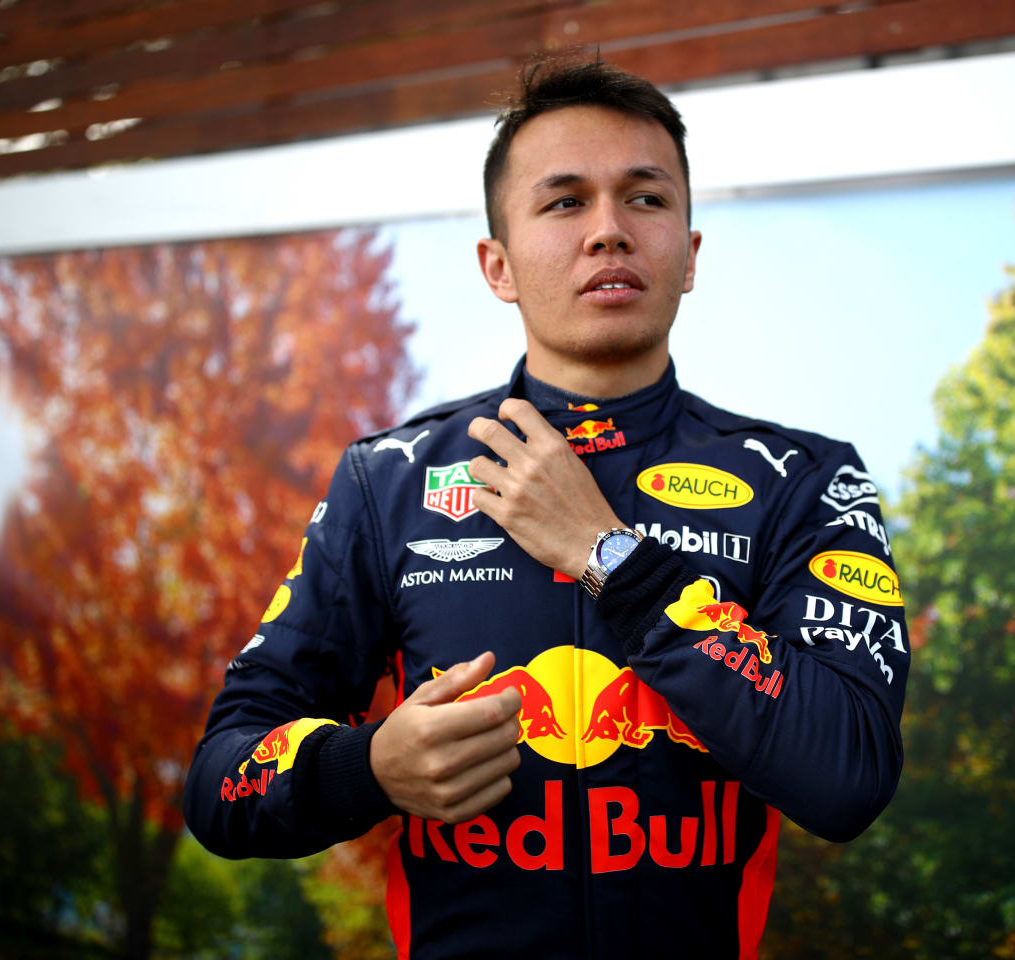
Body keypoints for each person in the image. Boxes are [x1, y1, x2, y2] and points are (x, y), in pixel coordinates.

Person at [185, 54, 908, 960]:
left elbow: (848, 777)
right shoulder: (389, 480)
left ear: (688, 255)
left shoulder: (805, 482)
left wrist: (612, 556)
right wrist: (367, 767)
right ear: (499, 265)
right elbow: (219, 783)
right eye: (564, 202)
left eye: (645, 199)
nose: (608, 231)